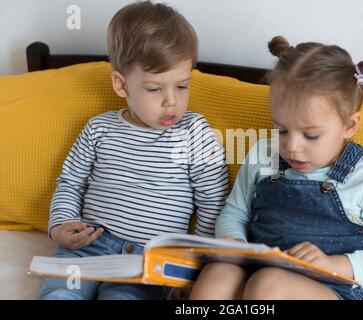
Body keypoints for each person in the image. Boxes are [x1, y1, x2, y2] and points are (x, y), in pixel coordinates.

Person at [189, 36, 363, 300]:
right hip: (258, 275)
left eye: (311, 135)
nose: (292, 146)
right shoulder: (263, 155)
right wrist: (235, 242)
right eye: (282, 129)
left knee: (269, 284)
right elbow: (234, 213)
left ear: (349, 126)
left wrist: (336, 264)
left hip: (337, 290)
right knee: (219, 275)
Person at [37, 1, 228, 300]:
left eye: (181, 86)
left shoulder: (194, 132)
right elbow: (71, 183)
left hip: (149, 261)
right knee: (58, 295)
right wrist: (61, 224)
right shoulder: (98, 129)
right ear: (121, 84)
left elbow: (213, 202)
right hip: (88, 245)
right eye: (155, 89)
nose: (171, 102)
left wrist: (197, 265)